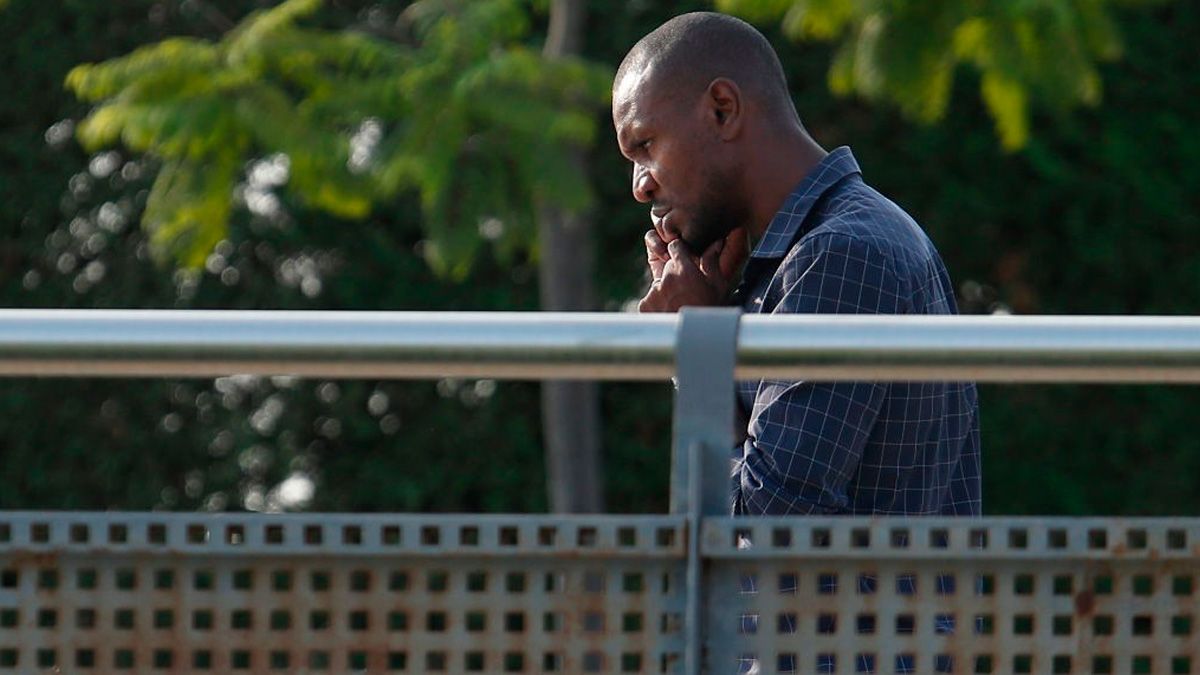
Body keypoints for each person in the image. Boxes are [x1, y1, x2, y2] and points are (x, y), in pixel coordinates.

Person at [613, 12, 981, 516]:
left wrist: (700, 357)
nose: (641, 185)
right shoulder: (809, 251)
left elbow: (765, 525)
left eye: (646, 145)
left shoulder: (840, 253)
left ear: (723, 109)